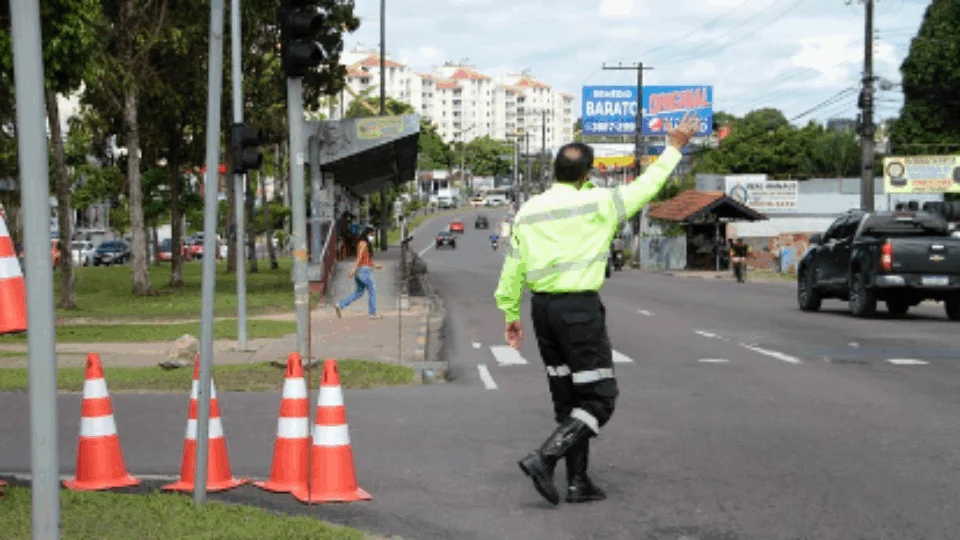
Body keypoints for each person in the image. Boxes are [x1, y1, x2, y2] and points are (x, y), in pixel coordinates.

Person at [493, 112, 700, 506]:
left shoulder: (529, 210)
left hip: (542, 311)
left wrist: (510, 313)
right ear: (586, 174)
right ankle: (545, 458)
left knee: (568, 402)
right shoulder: (600, 202)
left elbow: (513, 266)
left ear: (554, 171)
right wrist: (674, 147)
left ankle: (578, 483)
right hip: (579, 311)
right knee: (599, 399)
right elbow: (648, 185)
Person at [334, 225, 383, 319]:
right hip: (364, 271)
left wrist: (375, 265)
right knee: (372, 289)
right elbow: (359, 258)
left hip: (361, 270)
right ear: (367, 233)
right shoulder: (363, 243)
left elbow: (366, 259)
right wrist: (353, 269)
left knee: (358, 292)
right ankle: (373, 313)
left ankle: (340, 305)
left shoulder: (363, 243)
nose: (373, 236)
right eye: (372, 234)